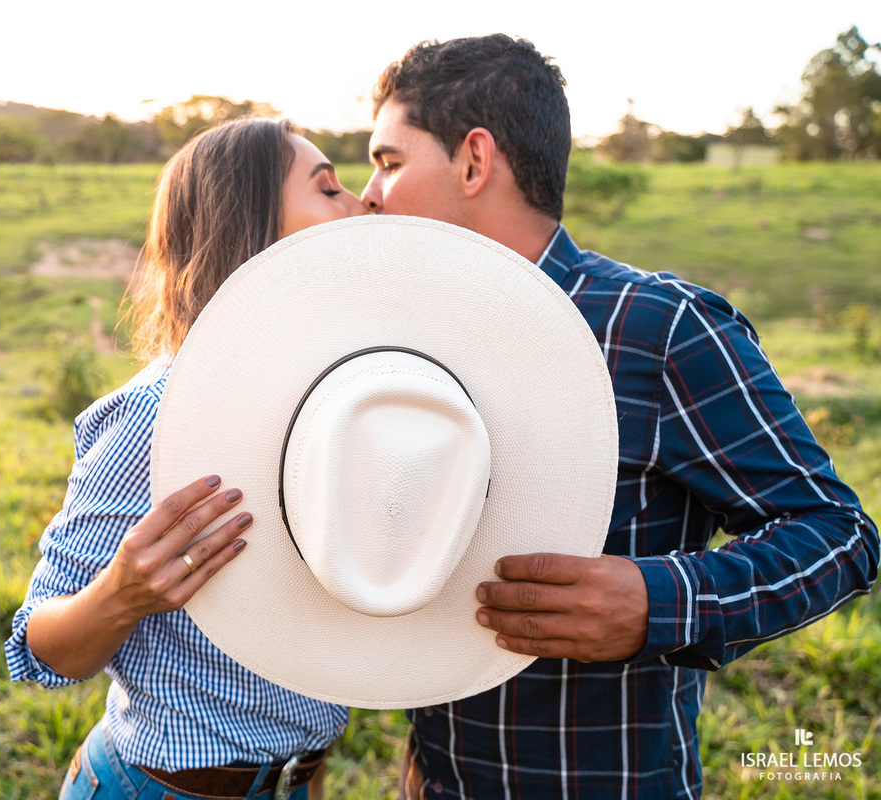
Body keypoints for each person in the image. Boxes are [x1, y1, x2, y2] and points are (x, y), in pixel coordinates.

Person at [361, 36, 880, 799]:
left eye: (390, 161)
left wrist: (658, 602)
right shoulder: (402, 340)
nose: (370, 194)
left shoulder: (660, 330)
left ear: (474, 161)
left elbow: (839, 536)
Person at [5, 117, 365, 800]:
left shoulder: (332, 398)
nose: (360, 205)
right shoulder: (158, 413)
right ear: (253, 225)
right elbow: (40, 648)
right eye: (329, 190)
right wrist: (121, 592)